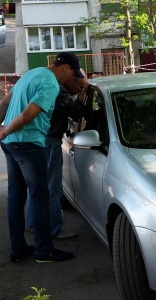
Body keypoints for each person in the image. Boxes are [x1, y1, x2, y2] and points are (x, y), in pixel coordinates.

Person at [0, 51, 84, 263]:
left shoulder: (31, 74)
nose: (70, 80)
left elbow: (5, 102)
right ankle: (44, 250)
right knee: (40, 197)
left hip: (11, 145)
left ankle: (17, 249)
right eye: (72, 74)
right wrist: (5, 131)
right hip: (28, 143)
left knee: (17, 198)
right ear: (66, 68)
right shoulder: (51, 85)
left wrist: (4, 132)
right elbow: (28, 114)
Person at [25, 69, 88, 239]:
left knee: (37, 186)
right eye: (77, 83)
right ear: (70, 78)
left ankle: (32, 223)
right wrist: (82, 96)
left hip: (39, 138)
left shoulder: (45, 83)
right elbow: (75, 113)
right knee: (53, 188)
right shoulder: (59, 89)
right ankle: (53, 229)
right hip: (50, 141)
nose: (77, 87)